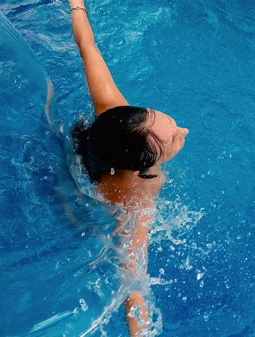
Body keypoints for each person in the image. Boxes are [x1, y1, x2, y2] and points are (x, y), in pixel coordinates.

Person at [67, 1, 189, 335]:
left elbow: (86, 45)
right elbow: (134, 281)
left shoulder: (114, 115)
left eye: (170, 124)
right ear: (142, 166)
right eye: (174, 140)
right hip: (87, 202)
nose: (184, 132)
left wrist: (77, 4)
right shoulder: (136, 199)